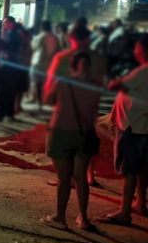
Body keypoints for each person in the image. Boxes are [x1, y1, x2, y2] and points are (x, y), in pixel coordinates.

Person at [40, 25, 106, 231]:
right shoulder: (95, 85)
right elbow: (95, 109)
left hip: (61, 131)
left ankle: (60, 217)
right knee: (82, 179)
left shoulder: (63, 79)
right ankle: (83, 218)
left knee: (63, 179)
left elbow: (47, 100)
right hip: (85, 133)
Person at [97, 34, 148, 226]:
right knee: (142, 166)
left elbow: (115, 85)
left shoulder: (142, 72)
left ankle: (124, 211)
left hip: (131, 126)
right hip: (143, 126)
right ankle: (141, 203)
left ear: (142, 50)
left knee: (129, 170)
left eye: (136, 47)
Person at [30, 20, 61, 111]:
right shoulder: (55, 38)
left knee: (37, 84)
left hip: (38, 63)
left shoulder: (39, 37)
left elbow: (33, 48)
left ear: (42, 27)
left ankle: (39, 103)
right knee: (47, 84)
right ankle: (46, 101)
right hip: (50, 64)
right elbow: (58, 50)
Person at [0, 16, 21, 122]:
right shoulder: (14, 34)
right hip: (13, 66)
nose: (3, 24)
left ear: (11, 24)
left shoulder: (11, 35)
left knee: (3, 92)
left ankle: (1, 115)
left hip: (7, 67)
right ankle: (9, 113)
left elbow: (6, 51)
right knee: (10, 91)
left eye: (5, 22)